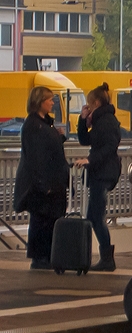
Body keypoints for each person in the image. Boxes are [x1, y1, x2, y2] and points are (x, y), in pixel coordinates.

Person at [14, 86, 69, 270]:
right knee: (41, 219)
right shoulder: (33, 125)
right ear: (40, 101)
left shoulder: (45, 123)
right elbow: (36, 156)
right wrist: (43, 184)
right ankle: (39, 257)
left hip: (53, 181)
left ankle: (47, 255)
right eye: (50, 99)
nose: (53, 103)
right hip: (42, 183)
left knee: (51, 218)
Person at [75, 83, 122, 272]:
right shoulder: (99, 120)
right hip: (99, 172)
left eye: (89, 104)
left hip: (102, 173)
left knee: (96, 217)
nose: (87, 108)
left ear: (95, 102)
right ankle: (104, 257)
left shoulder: (106, 121)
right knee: (93, 216)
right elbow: (85, 140)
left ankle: (107, 259)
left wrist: (90, 159)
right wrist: (82, 120)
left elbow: (109, 147)